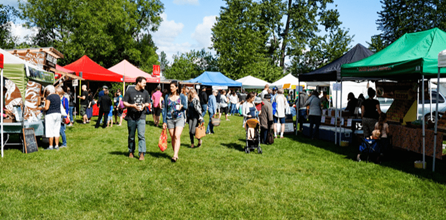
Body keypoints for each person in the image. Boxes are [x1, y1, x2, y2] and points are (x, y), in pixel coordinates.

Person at [123, 77, 151, 161]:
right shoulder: (129, 91)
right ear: (138, 83)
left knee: (141, 135)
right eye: (144, 83)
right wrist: (132, 105)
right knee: (131, 136)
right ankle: (131, 151)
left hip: (141, 117)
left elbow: (148, 102)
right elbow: (124, 102)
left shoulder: (145, 92)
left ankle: (141, 153)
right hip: (131, 117)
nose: (145, 85)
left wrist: (143, 105)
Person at [162, 80, 188, 162]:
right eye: (170, 87)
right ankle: (175, 152)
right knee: (173, 137)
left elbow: (186, 107)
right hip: (169, 119)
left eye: (173, 87)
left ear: (177, 87)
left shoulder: (182, 96)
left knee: (177, 136)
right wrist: (164, 121)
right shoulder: (167, 96)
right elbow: (165, 109)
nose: (171, 88)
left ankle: (175, 155)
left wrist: (182, 106)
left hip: (179, 118)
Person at [38, 85, 61, 150]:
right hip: (58, 114)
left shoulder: (49, 97)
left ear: (48, 91)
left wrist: (41, 108)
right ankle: (56, 145)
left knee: (50, 130)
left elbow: (47, 107)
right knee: (56, 130)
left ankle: (50, 146)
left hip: (50, 115)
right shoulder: (58, 96)